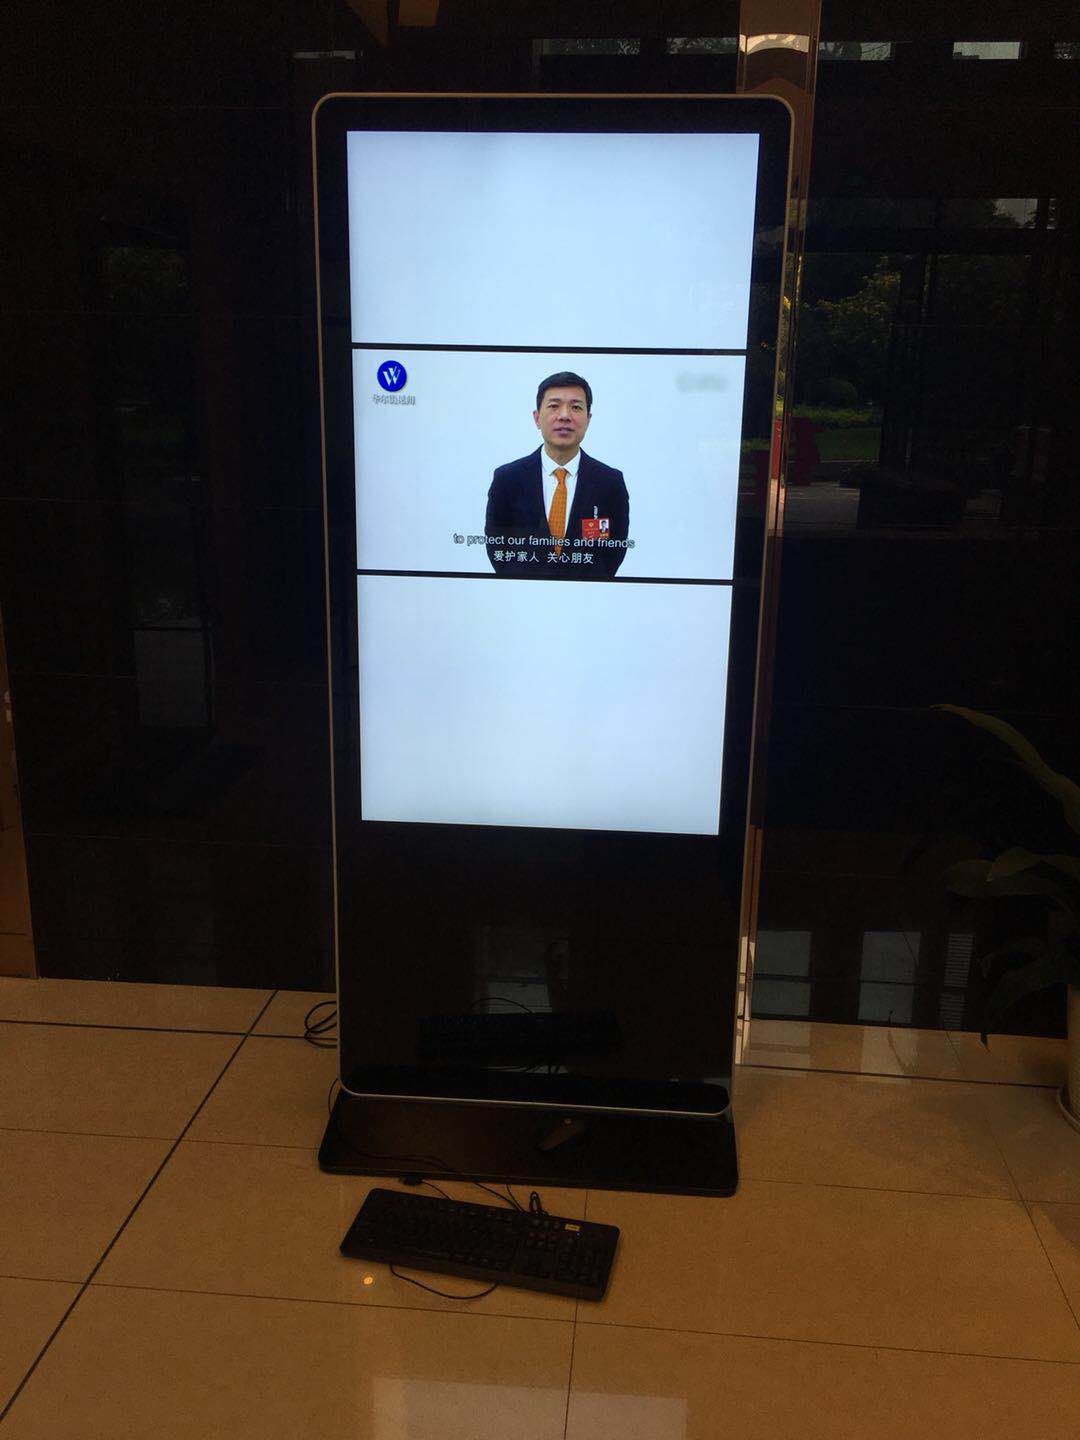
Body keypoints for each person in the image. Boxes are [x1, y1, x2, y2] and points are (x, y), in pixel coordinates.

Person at [485, 372, 630, 578]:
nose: (564, 415)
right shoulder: (507, 479)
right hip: (523, 592)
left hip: (588, 593)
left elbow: (613, 552)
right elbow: (497, 547)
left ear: (588, 419)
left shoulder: (610, 482)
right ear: (537, 418)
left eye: (576, 407)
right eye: (554, 406)